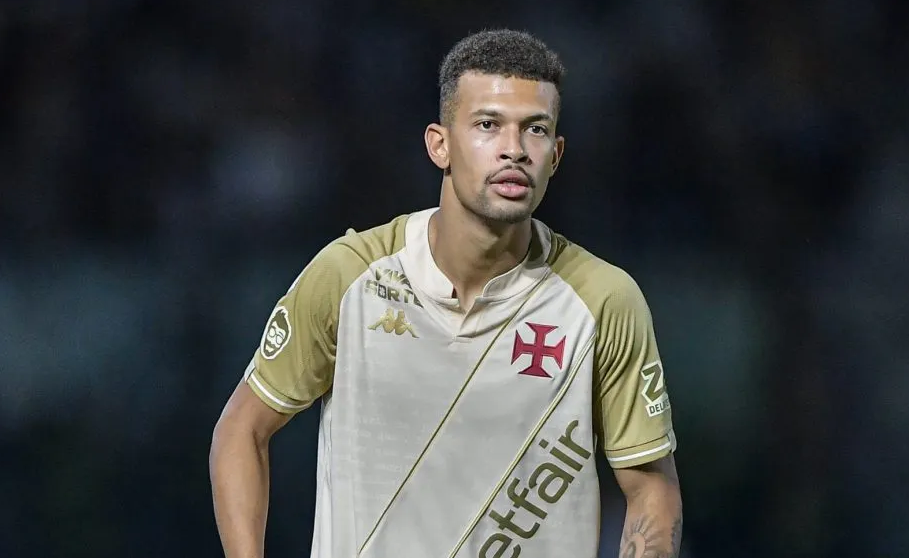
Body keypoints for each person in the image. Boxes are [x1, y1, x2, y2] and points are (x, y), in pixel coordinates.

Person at [209, 28, 683, 558]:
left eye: (536, 130)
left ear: (556, 154)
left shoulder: (603, 300)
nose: (514, 150)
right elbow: (241, 431)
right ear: (440, 144)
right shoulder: (350, 276)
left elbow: (650, 488)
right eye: (488, 125)